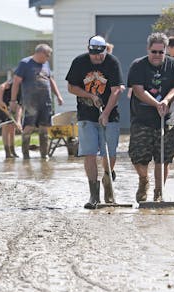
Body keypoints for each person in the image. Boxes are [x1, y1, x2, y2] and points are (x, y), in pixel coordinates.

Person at [66, 35, 124, 208]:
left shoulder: (112, 63)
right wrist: (90, 96)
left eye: (100, 54)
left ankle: (108, 178)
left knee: (109, 154)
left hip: (110, 115)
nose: (97, 57)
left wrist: (105, 113)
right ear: (89, 50)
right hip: (86, 115)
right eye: (94, 54)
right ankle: (93, 195)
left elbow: (116, 91)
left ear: (105, 50)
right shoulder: (79, 62)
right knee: (89, 153)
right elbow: (71, 87)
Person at [127, 32, 174, 202]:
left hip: (165, 119)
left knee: (163, 158)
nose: (157, 55)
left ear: (165, 51)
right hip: (142, 119)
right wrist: (156, 104)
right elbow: (138, 89)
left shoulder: (172, 65)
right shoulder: (138, 65)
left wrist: (165, 100)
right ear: (148, 50)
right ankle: (144, 180)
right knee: (138, 156)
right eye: (154, 52)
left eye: (161, 52)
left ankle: (159, 191)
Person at [9, 44, 64, 159]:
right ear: (39, 53)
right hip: (31, 101)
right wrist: (13, 100)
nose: (48, 58)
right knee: (29, 127)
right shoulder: (25, 63)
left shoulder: (46, 64)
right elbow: (16, 82)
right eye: (47, 55)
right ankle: (26, 155)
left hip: (46, 101)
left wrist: (58, 95)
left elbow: (50, 79)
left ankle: (44, 154)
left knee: (45, 128)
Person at [0, 77, 21, 159]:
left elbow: (19, 106)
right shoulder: (15, 81)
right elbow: (2, 86)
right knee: (6, 125)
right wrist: (0, 100)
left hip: (9, 102)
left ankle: (13, 150)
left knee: (12, 126)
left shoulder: (24, 89)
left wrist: (18, 122)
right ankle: (7, 152)